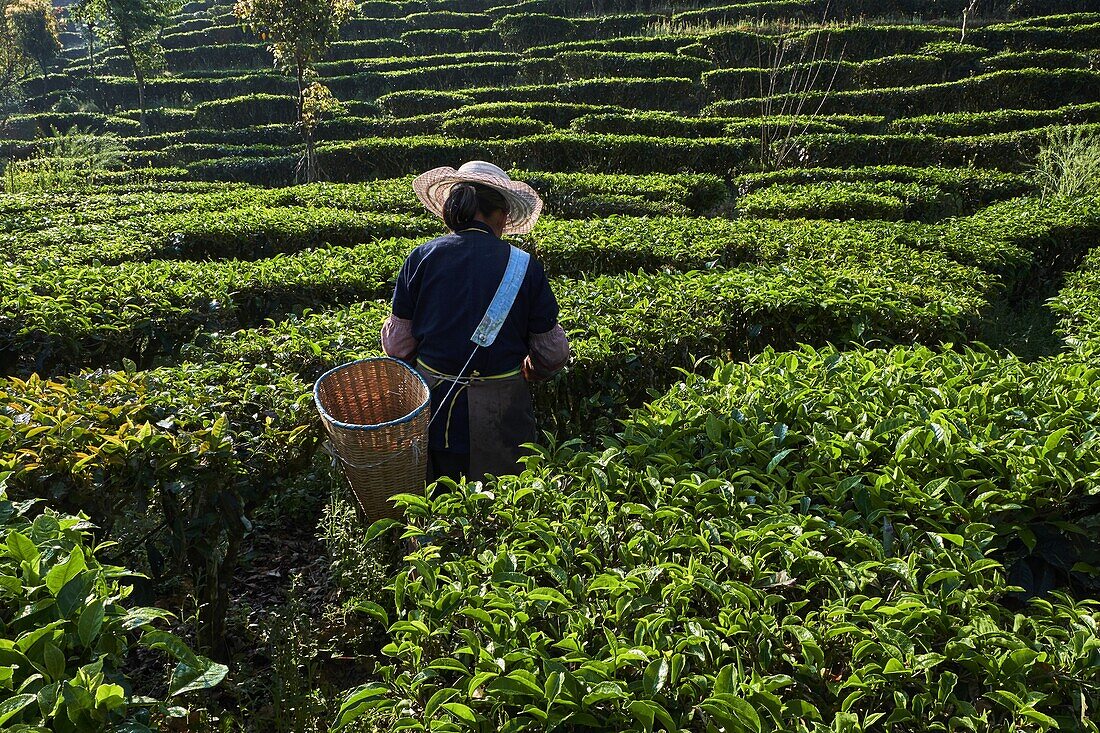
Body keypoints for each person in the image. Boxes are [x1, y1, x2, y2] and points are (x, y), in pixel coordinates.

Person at [380, 161, 570, 483]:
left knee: (432, 502)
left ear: (456, 209)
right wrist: (531, 370)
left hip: (431, 407)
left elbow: (398, 346)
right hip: (503, 413)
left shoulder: (422, 257)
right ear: (501, 215)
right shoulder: (526, 267)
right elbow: (552, 355)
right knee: (501, 505)